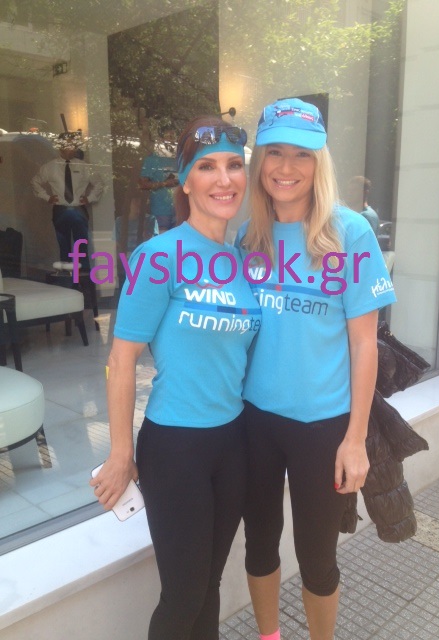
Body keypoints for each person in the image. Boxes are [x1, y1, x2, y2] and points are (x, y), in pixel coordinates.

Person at [90, 116, 260, 640]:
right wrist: (121, 453)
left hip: (233, 444)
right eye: (206, 167)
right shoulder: (158, 257)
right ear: (184, 182)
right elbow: (121, 361)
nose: (224, 179)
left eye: (233, 165)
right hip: (175, 448)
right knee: (182, 594)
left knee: (209, 585)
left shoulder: (243, 261)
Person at [236, 98, 397, 640]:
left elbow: (365, 344)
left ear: (319, 161)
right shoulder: (248, 236)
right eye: (274, 152)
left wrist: (355, 439)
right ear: (260, 161)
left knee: (317, 557)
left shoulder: (349, 232)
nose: (286, 167)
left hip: (323, 427)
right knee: (259, 544)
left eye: (301, 154)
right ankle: (269, 636)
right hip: (255, 421)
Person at [32, 131, 104, 270]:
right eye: (70, 145)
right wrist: (47, 197)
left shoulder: (83, 166)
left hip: (78, 209)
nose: (73, 148)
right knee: (64, 246)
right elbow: (35, 182)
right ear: (61, 146)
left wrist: (89, 198)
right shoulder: (50, 167)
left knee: (81, 245)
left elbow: (99, 183)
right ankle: (67, 277)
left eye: (74, 145)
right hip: (61, 209)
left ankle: (83, 276)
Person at [138, 134, 179, 233]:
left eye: (174, 138)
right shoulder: (152, 160)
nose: (171, 141)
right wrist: (164, 183)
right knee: (163, 239)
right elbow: (142, 184)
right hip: (161, 210)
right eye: (169, 137)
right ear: (160, 139)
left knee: (179, 239)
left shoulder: (180, 159)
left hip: (179, 209)